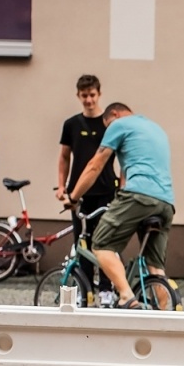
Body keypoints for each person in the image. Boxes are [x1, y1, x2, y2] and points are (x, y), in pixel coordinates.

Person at [67, 102, 173, 309]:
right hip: (166, 202)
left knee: (100, 243)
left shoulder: (120, 124)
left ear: (114, 114)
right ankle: (164, 312)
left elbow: (95, 164)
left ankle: (125, 295)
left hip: (139, 196)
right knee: (156, 266)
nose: (110, 132)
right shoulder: (155, 128)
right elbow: (129, 169)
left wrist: (73, 197)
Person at [55, 74, 120, 293]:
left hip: (105, 192)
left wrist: (122, 183)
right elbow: (64, 157)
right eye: (84, 96)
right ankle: (85, 290)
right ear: (78, 96)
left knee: (104, 242)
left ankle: (105, 289)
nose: (89, 100)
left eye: (92, 95)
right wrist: (62, 186)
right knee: (82, 242)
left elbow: (122, 157)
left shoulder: (109, 125)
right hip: (79, 194)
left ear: (99, 94)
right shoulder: (71, 124)